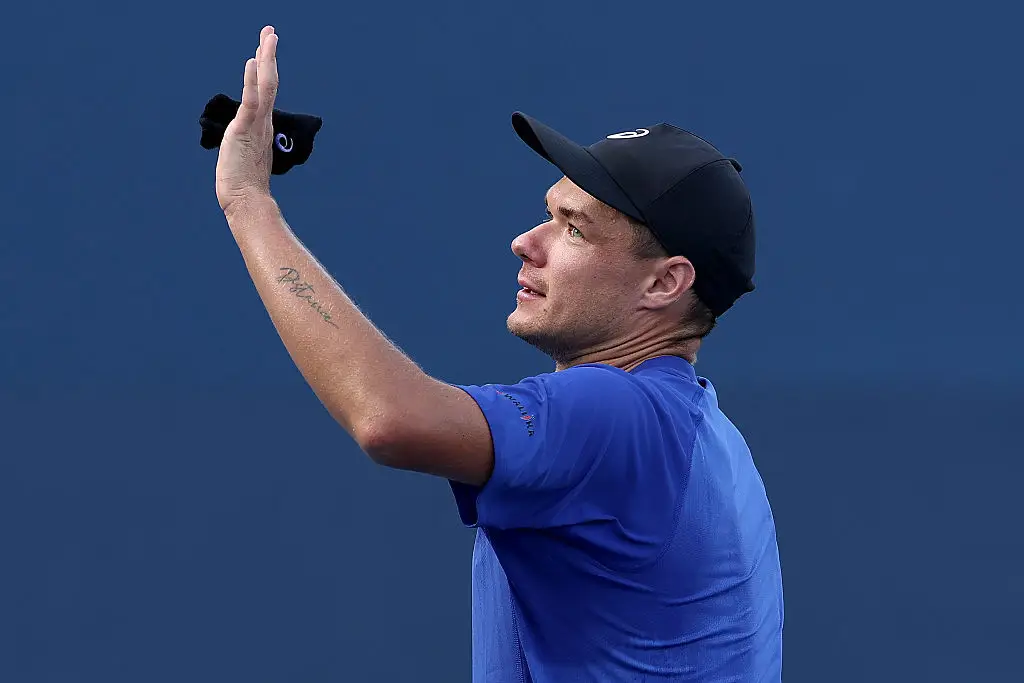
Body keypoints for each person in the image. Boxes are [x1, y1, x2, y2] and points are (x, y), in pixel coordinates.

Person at [215, 26, 784, 683]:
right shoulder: (706, 434)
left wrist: (249, 204)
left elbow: (386, 416)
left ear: (664, 283)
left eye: (574, 228)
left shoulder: (618, 417)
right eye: (548, 212)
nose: (525, 241)